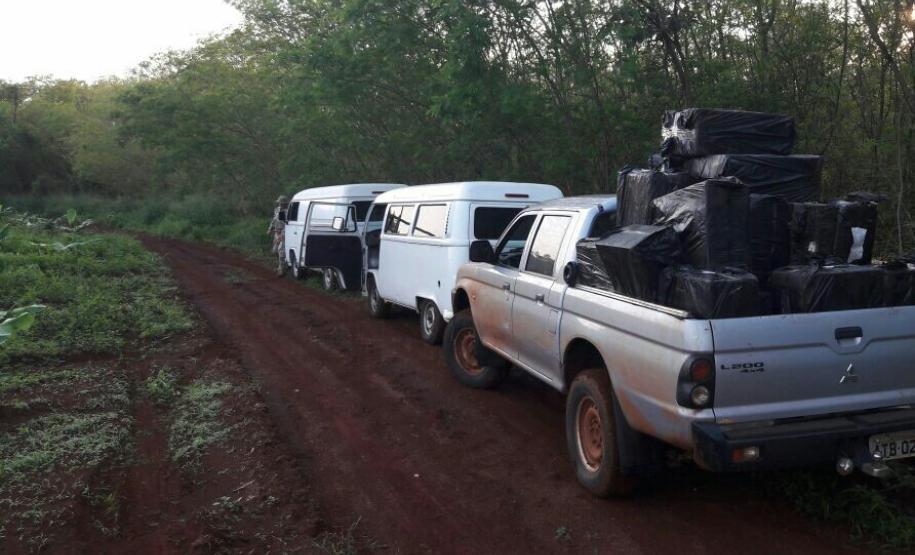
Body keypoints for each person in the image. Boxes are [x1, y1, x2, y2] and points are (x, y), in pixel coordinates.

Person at [269, 195, 288, 275]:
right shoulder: (277, 210)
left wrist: (282, 233)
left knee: (281, 250)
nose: (280, 204)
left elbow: (288, 224)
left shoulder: (288, 211)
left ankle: (281, 269)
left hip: (284, 232)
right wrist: (270, 228)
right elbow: (274, 219)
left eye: (281, 202)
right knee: (274, 250)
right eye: (279, 202)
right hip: (277, 231)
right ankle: (283, 264)